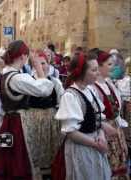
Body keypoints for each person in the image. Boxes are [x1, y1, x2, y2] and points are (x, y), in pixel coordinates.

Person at [0, 40, 54, 180]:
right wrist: (38, 67)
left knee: (6, 155)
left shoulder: (4, 74)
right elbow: (46, 89)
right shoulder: (18, 78)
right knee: (17, 160)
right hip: (18, 126)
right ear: (23, 57)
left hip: (7, 123)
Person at [54, 53, 111, 180]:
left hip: (95, 146)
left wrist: (101, 136)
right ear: (81, 72)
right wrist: (95, 144)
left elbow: (98, 120)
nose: (97, 73)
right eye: (94, 70)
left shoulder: (90, 90)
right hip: (81, 150)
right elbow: (71, 133)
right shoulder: (70, 96)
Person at [22, 51, 64, 179]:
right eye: (38, 63)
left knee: (50, 148)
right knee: (35, 147)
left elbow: (61, 101)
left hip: (51, 120)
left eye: (43, 63)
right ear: (33, 65)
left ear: (48, 64)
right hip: (33, 119)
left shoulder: (55, 82)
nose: (41, 66)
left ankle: (49, 174)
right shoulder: (29, 80)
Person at [93, 50, 128, 179]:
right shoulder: (93, 87)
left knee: (120, 161)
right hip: (104, 130)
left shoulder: (109, 83)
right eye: (109, 64)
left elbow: (116, 109)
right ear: (100, 66)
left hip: (115, 128)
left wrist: (120, 129)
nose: (113, 67)